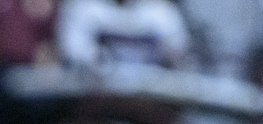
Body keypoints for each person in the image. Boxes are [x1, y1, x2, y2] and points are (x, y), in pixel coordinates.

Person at [57, 0, 191, 68]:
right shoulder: (84, 9)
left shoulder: (162, 13)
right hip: (98, 101)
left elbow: (177, 56)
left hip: (153, 102)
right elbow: (76, 55)